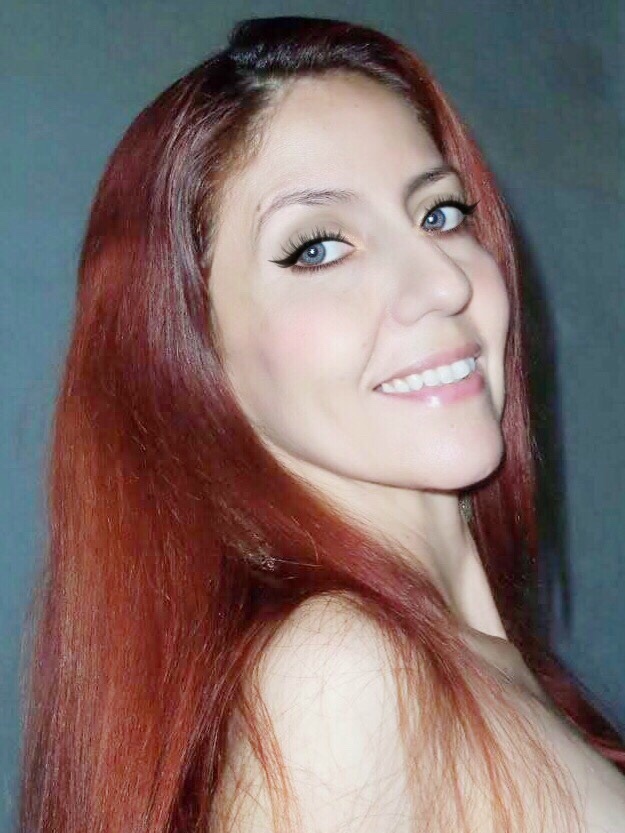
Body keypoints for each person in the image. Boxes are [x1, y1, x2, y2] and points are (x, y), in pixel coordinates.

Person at [17, 15, 625, 833]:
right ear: (190, 353)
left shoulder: (466, 661)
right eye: (317, 248)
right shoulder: (340, 675)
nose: (441, 282)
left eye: (440, 214)